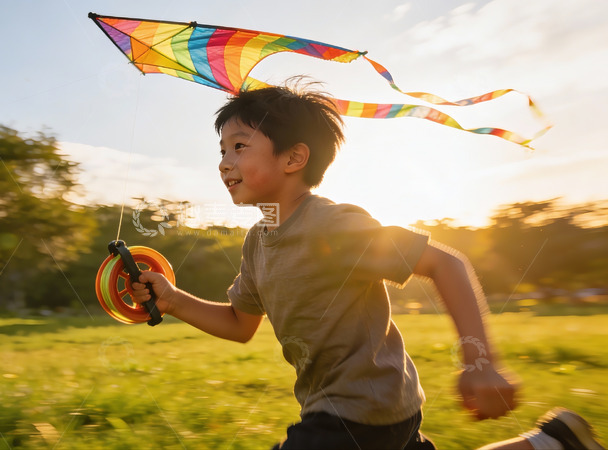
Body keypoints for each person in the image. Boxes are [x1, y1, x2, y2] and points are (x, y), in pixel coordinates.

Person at [130, 81, 604, 450]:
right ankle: (553, 442)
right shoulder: (258, 242)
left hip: (359, 409)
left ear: (294, 157)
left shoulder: (335, 225)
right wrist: (172, 299)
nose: (223, 162)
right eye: (221, 150)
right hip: (367, 406)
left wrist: (480, 363)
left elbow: (446, 264)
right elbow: (239, 323)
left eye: (238, 146)